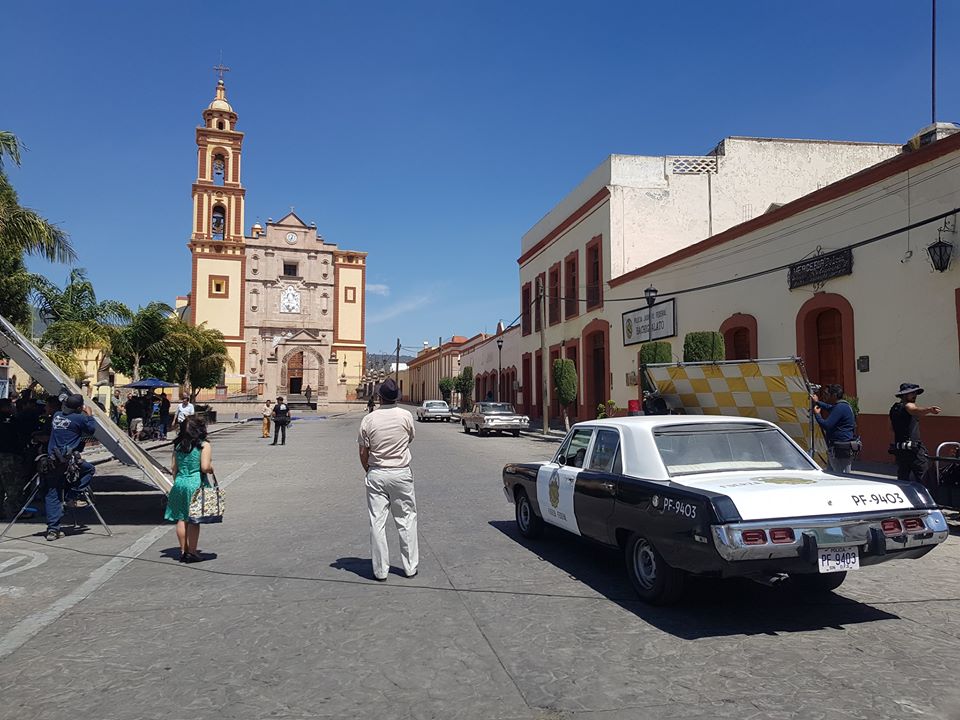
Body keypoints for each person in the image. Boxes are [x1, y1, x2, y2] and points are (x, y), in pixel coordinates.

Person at [357, 378, 418, 581]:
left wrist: (368, 468)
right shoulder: (406, 416)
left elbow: (363, 450)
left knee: (377, 522)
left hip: (377, 472)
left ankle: (381, 571)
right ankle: (410, 567)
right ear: (397, 397)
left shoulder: (369, 419)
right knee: (406, 520)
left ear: (379, 397)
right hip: (401, 472)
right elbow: (409, 438)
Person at [44, 394, 96, 541]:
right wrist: (90, 414)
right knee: (89, 470)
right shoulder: (79, 418)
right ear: (80, 407)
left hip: (52, 461)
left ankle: (53, 530)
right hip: (68, 461)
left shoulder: (56, 415)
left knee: (52, 493)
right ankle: (71, 496)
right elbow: (91, 430)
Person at [165, 416, 214, 563]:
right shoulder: (203, 445)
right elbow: (205, 467)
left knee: (181, 518)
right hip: (195, 483)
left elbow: (173, 468)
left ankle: (183, 550)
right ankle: (192, 552)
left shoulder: (178, 445)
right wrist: (211, 469)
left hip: (180, 482)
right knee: (194, 520)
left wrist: (177, 481)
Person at [889, 382, 941, 484]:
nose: (915, 395)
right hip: (914, 451)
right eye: (912, 393)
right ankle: (927, 499)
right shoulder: (909, 405)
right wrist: (929, 410)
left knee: (903, 479)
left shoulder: (894, 408)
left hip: (900, 449)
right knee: (925, 479)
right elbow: (915, 410)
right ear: (904, 395)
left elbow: (891, 428)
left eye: (915, 393)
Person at [813, 384, 858, 474]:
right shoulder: (842, 406)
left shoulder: (840, 407)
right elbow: (829, 407)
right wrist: (817, 402)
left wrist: (817, 415)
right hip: (838, 448)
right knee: (832, 474)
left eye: (826, 394)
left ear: (834, 395)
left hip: (840, 449)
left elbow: (827, 425)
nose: (824, 396)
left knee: (841, 476)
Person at [0, 399, 26, 520]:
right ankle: (15, 511)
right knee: (13, 485)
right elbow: (19, 436)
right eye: (11, 405)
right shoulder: (12, 420)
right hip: (9, 456)